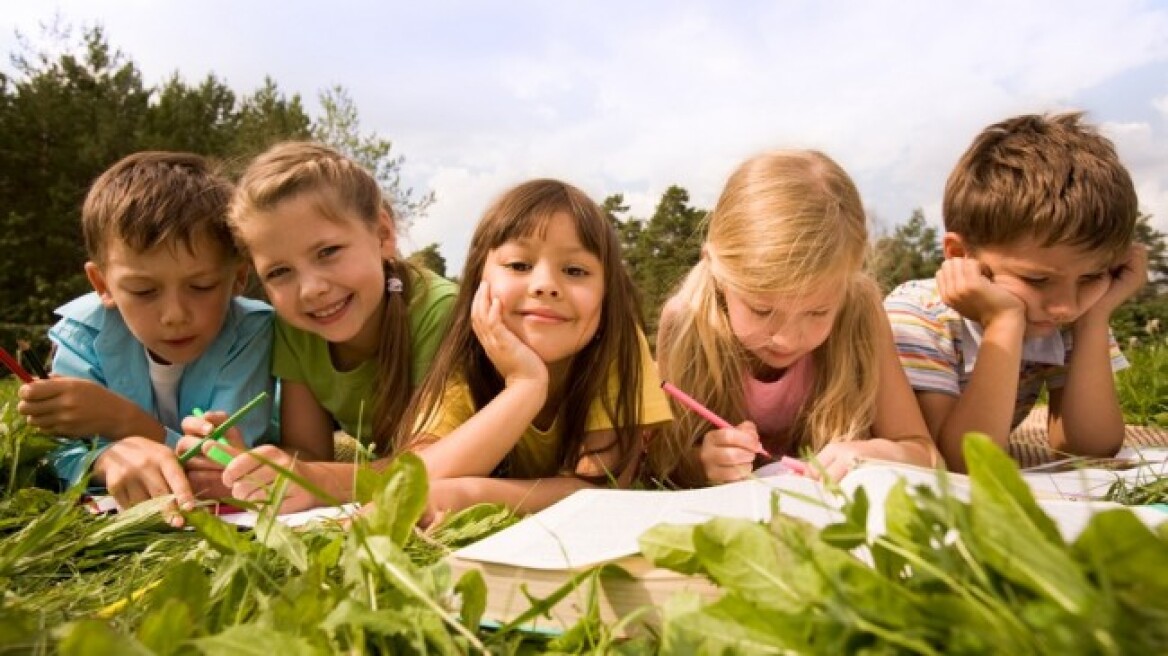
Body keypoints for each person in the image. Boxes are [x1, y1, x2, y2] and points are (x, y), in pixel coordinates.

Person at [178, 141, 456, 505]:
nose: (310, 290)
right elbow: (308, 451)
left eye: (328, 252)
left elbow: (439, 464)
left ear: (383, 235)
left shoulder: (439, 311)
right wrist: (244, 466)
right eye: (279, 272)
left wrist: (315, 481)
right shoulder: (296, 327)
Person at [396, 178, 674, 522]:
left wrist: (474, 494)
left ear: (607, 294)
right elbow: (411, 484)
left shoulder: (618, 346)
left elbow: (601, 485)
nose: (545, 285)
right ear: (477, 281)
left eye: (575, 270)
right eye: (519, 265)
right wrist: (525, 385)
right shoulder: (465, 361)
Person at [17, 152, 276, 515]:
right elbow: (55, 453)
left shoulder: (252, 331)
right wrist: (105, 460)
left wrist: (124, 422)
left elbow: (222, 462)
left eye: (201, 286)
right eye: (143, 291)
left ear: (238, 278)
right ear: (101, 284)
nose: (174, 316)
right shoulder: (83, 334)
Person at [657, 150, 937, 485]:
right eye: (762, 310)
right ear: (718, 272)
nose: (787, 339)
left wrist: (883, 453)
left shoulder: (860, 309)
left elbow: (927, 455)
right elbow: (662, 457)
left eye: (818, 312)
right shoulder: (686, 321)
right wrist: (701, 462)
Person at [884, 112, 1144, 471]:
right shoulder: (918, 315)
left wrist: (1095, 320)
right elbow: (957, 462)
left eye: (1091, 277)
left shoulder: (1073, 313)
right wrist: (1004, 323)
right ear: (960, 255)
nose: (1065, 306)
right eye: (1036, 280)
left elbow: (1090, 448)